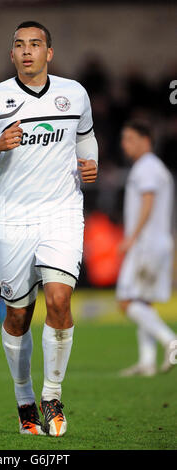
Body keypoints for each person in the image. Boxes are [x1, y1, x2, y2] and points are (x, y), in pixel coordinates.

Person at [0, 21, 98, 437]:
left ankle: (51, 396)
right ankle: (24, 402)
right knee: (18, 315)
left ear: (49, 53)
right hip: (15, 219)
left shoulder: (74, 94)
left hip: (62, 214)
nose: (27, 51)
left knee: (58, 301)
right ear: (12, 55)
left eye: (35, 44)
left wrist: (90, 165)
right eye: (19, 45)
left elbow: (86, 138)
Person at [117, 120, 176, 377]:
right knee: (143, 301)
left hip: (146, 245)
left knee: (126, 301)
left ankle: (170, 341)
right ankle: (147, 362)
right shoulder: (156, 168)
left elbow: (148, 201)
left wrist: (132, 237)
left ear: (145, 140)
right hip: (157, 242)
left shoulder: (147, 168)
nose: (124, 144)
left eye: (129, 138)